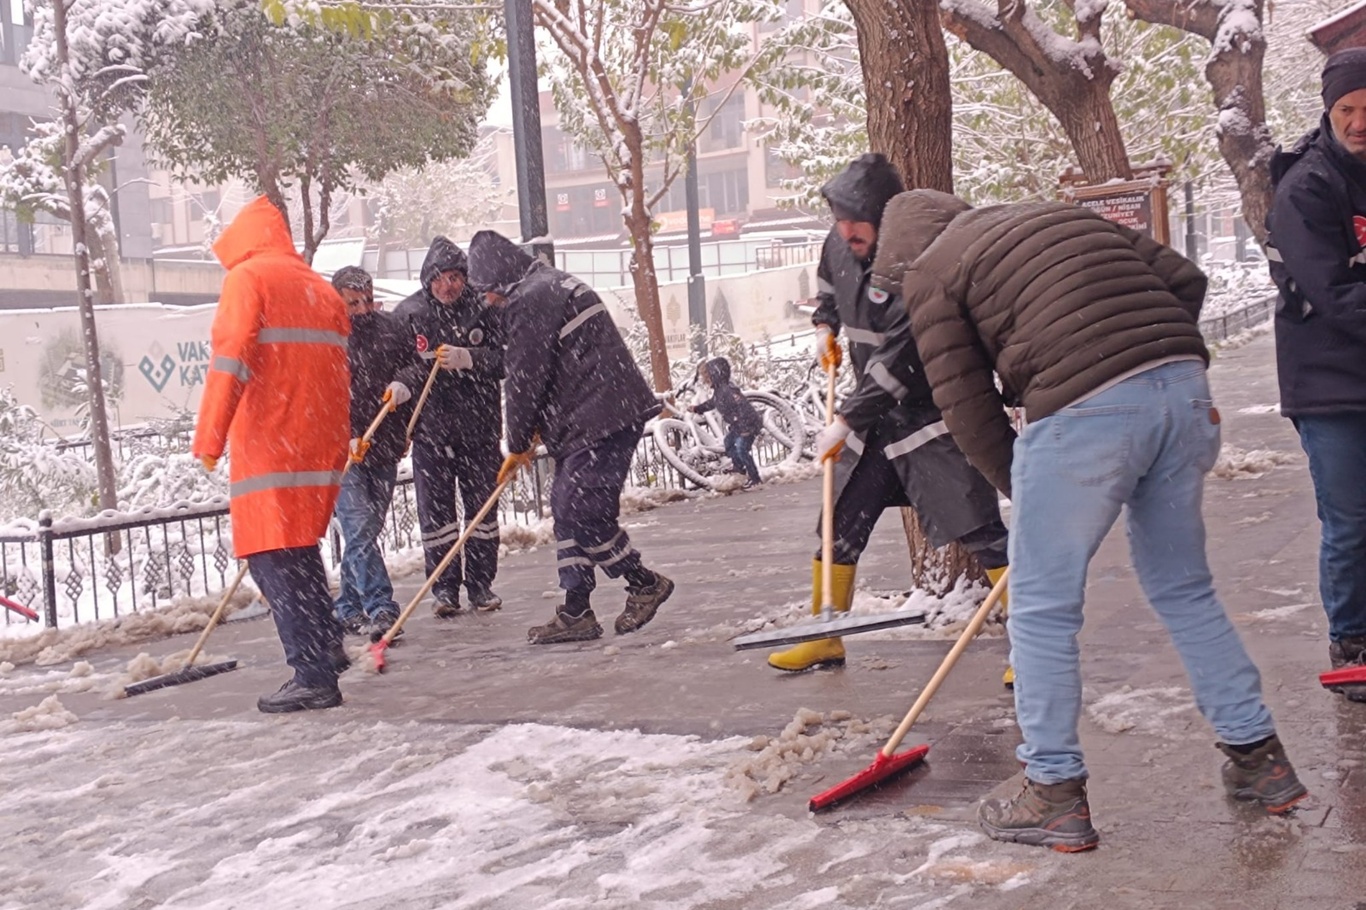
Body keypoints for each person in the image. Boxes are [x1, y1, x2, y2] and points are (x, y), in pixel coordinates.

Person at [879, 188, 1307, 852]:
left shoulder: (932, 271)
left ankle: (1052, 792)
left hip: (1086, 414)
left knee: (1042, 609)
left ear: (907, 257)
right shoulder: (1060, 215)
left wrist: (1022, 481)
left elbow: (964, 405)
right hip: (1183, 389)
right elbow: (1184, 280)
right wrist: (1142, 357)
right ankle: (1261, 759)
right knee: (1185, 588)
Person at [767, 152, 1011, 675]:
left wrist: (846, 420)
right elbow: (830, 294)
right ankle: (824, 634)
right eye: (839, 218)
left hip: (932, 416)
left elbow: (902, 356)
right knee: (839, 522)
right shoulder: (839, 243)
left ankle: (1034, 650)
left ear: (886, 217)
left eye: (858, 219)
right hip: (876, 421)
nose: (847, 230)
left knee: (981, 529)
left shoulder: (914, 259)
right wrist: (824, 329)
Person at [465, 230, 674, 644]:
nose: (487, 301)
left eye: (486, 290)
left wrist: (518, 442)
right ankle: (576, 607)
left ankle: (642, 582)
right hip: (592, 414)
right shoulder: (549, 284)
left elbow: (524, 377)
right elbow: (555, 363)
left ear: (500, 279)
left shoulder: (530, 298)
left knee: (581, 508)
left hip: (600, 417)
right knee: (566, 507)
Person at [192, 196, 351, 714]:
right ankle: (326, 646)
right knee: (301, 551)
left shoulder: (249, 280)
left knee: (272, 558)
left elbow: (230, 360)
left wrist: (209, 440)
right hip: (318, 443)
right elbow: (339, 374)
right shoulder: (319, 287)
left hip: (272, 443)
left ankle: (313, 673)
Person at [1265, 47, 1366, 704]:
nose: (1360, 122)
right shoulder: (1306, 187)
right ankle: (1352, 638)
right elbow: (1331, 292)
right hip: (1329, 385)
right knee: (1352, 517)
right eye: (1348, 109)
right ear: (1329, 111)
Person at [392, 237, 505, 617]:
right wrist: (404, 387)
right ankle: (444, 589)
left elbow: (507, 359)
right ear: (428, 279)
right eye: (440, 278)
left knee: (481, 514)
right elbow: (402, 364)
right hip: (432, 433)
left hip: (480, 429)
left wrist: (469, 358)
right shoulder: (410, 313)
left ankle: (481, 585)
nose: (448, 286)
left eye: (455, 277)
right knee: (437, 517)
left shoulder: (485, 306)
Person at [330, 266, 413, 640]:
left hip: (384, 442)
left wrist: (403, 384)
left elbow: (415, 365)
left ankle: (346, 607)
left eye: (366, 300)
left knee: (366, 530)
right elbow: (317, 396)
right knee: (359, 526)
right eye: (353, 303)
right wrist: (342, 434)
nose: (362, 309)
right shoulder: (325, 338)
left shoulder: (390, 328)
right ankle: (382, 607)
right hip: (340, 453)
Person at [690, 357, 763, 488]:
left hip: (748, 425)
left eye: (707, 375)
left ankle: (755, 478)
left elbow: (742, 407)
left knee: (741, 449)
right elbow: (712, 403)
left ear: (716, 373)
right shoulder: (719, 390)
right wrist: (697, 408)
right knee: (728, 443)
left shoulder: (728, 390)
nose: (705, 379)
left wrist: (745, 428)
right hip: (738, 425)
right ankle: (739, 468)